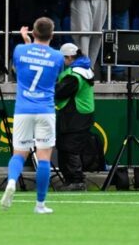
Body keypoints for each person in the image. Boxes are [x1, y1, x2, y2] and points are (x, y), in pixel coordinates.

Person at [0, 18, 64, 214]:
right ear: (52, 35)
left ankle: (11, 182)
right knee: (44, 157)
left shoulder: (20, 50)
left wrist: (26, 41)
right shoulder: (57, 56)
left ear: (33, 33)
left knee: (19, 153)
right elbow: (55, 75)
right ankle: (40, 204)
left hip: (23, 109)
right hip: (45, 109)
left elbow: (21, 68)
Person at [55, 42, 95, 191]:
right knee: (68, 147)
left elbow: (60, 91)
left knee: (70, 147)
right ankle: (72, 180)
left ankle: (76, 181)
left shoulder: (74, 75)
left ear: (70, 57)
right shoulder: (85, 70)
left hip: (75, 115)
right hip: (79, 114)